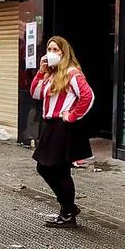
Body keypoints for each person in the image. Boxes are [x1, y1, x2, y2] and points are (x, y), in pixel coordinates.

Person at [29, 36, 95, 227]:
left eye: (56, 50)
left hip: (62, 126)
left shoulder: (72, 73)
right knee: (52, 169)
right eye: (49, 49)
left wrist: (73, 115)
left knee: (53, 168)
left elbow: (88, 96)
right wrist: (41, 72)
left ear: (64, 52)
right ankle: (68, 209)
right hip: (50, 125)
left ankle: (67, 211)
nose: (51, 53)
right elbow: (35, 93)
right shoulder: (51, 73)